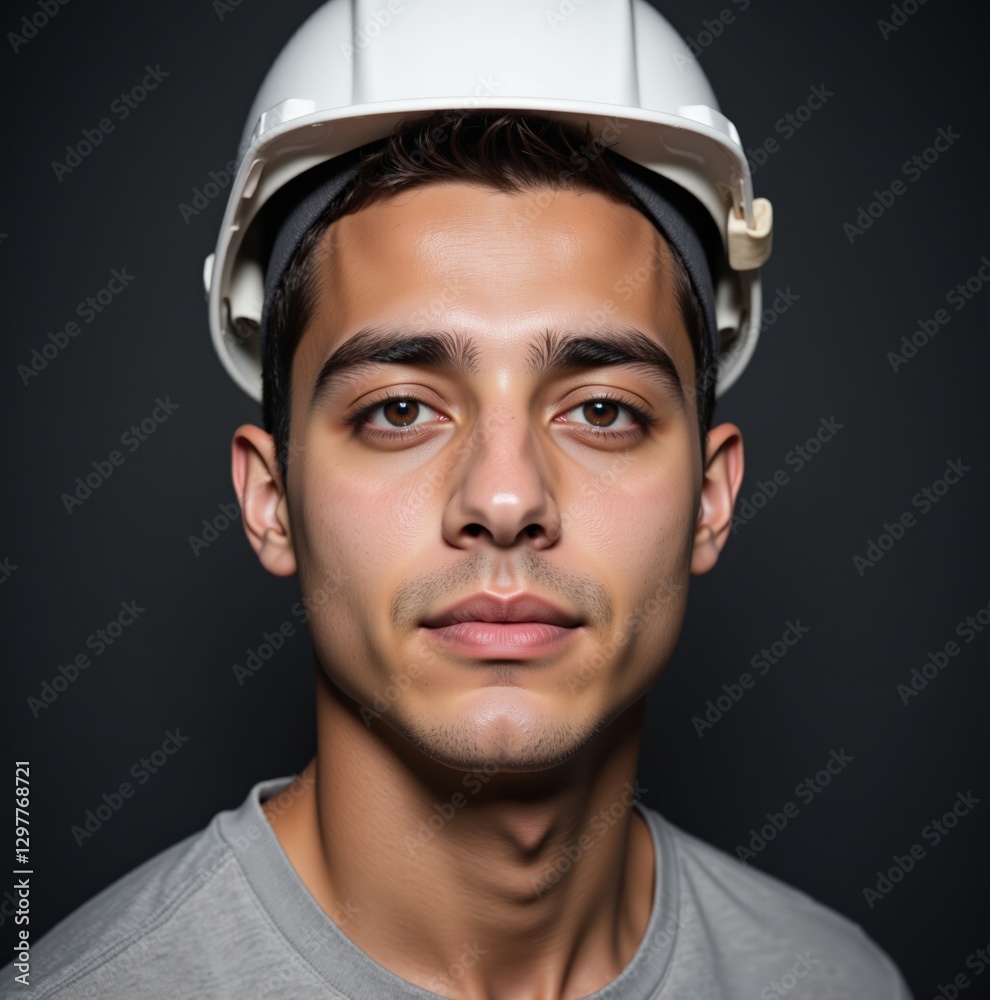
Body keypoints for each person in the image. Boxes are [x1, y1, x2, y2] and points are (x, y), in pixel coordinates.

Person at [3, 1, 913, 997]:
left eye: (601, 409)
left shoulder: (837, 981)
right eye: (399, 408)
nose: (507, 495)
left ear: (709, 497)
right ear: (271, 499)